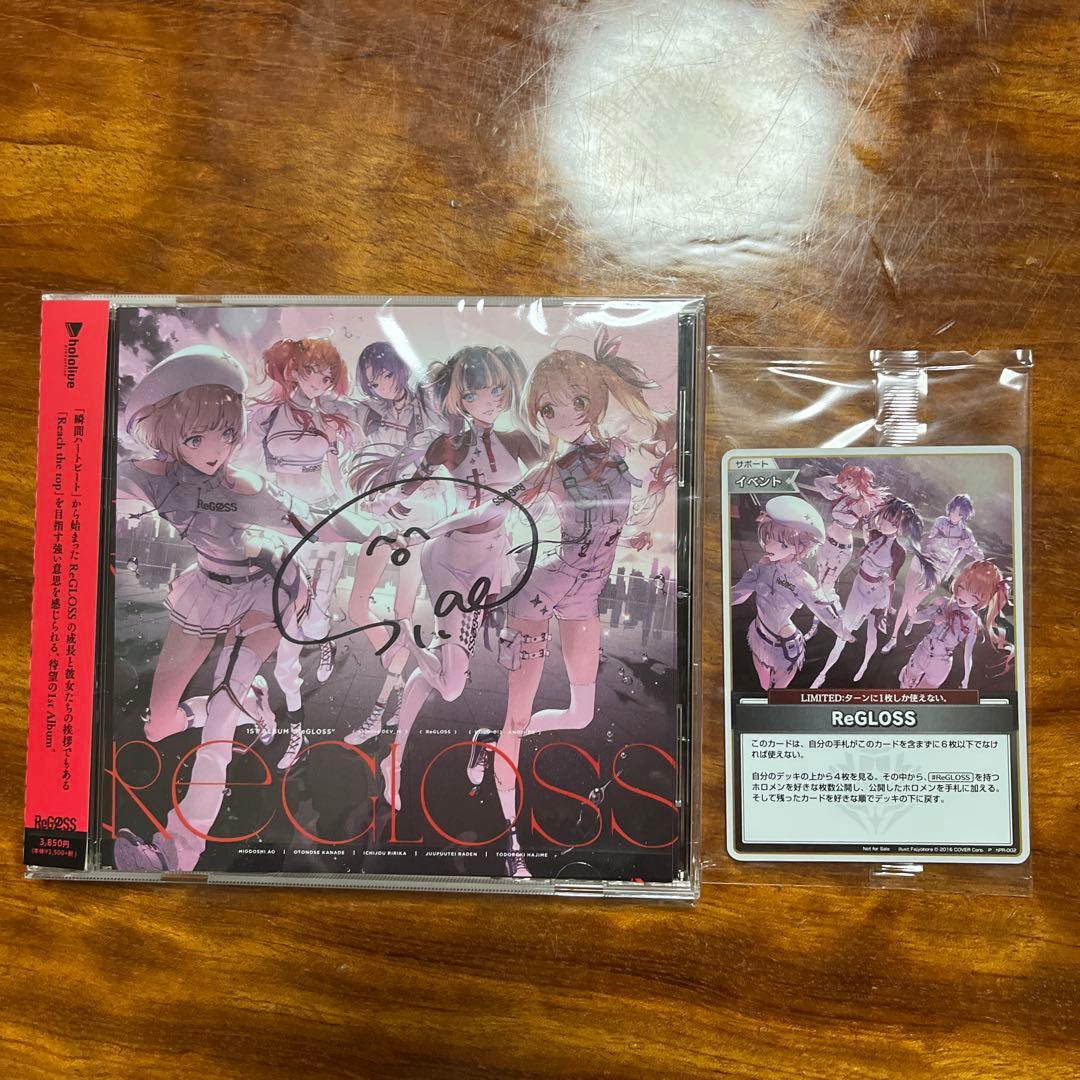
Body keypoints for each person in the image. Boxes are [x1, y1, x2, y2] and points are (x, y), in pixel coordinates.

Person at [111, 345, 384, 873]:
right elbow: (95, 486)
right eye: (196, 437)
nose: (216, 449)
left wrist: (378, 533)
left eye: (227, 433)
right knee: (159, 725)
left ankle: (177, 851)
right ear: (169, 433)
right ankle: (254, 699)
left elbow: (315, 523)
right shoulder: (149, 476)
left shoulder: (247, 488)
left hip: (266, 591)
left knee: (219, 719)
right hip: (207, 591)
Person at [731, 496, 852, 691]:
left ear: (801, 548)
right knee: (764, 686)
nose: (768, 545)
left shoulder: (802, 581)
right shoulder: (763, 565)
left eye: (781, 543)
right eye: (767, 537)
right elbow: (740, 591)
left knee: (776, 693)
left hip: (784, 648)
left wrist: (841, 630)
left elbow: (822, 607)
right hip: (759, 636)